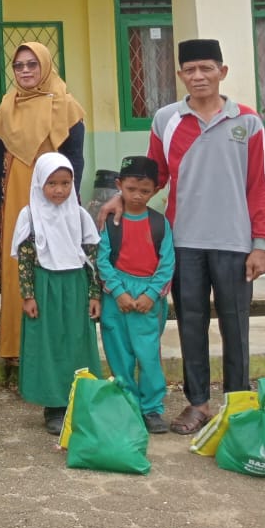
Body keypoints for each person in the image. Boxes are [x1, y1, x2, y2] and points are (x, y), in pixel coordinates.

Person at [103, 38, 265, 436]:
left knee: (236, 326)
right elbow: (154, 175)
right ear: (180, 75)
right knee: (191, 323)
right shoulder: (167, 118)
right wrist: (118, 197)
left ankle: (237, 404)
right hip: (184, 243)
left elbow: (257, 185)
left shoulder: (247, 122)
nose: (198, 76)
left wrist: (260, 244)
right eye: (190, 70)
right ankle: (198, 404)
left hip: (235, 243)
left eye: (207, 68)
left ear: (222, 72)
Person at [0, 42, 85, 363]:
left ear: (45, 66)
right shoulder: (9, 104)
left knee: (52, 261)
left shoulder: (66, 105)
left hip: (54, 195)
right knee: (17, 262)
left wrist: (69, 202)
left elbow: (75, 158)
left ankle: (51, 347)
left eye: (32, 65)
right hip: (14, 191)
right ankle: (15, 345)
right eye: (18, 66)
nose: (25, 71)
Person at [11, 153, 101, 435]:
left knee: (76, 343)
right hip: (44, 285)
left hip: (75, 286)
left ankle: (80, 401)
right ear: (40, 183)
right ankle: (53, 406)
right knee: (48, 345)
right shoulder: (30, 216)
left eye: (65, 182)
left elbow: (92, 259)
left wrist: (94, 295)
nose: (60, 190)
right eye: (52, 183)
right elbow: (25, 259)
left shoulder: (80, 215)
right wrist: (28, 295)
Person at [95, 155, 176, 435]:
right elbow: (102, 260)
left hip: (147, 300)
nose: (137, 196)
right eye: (131, 189)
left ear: (155, 190)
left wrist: (152, 295)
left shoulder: (160, 224)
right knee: (119, 354)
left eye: (145, 191)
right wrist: (118, 292)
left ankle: (152, 408)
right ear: (119, 186)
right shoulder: (111, 222)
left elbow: (167, 264)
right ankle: (126, 402)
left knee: (148, 354)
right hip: (116, 298)